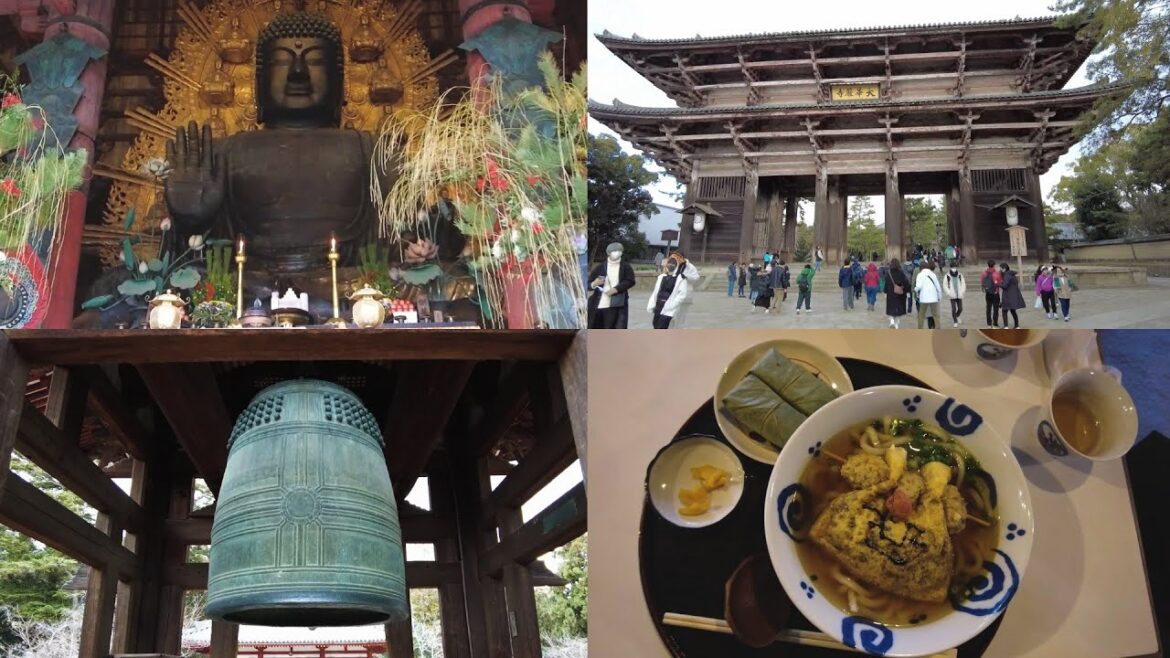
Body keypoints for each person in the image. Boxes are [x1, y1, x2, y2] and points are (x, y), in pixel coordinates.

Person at [587, 242, 636, 329]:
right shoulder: (600, 267)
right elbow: (588, 285)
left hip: (617, 304)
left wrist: (617, 289)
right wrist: (594, 283)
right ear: (609, 252)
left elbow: (630, 281)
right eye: (615, 251)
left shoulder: (626, 267)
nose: (617, 253)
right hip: (599, 304)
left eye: (619, 251)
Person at [646, 254, 689, 329]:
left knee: (662, 327)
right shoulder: (661, 277)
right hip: (658, 306)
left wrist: (672, 304)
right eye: (669, 263)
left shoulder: (680, 279)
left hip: (669, 308)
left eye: (673, 264)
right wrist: (652, 304)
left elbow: (682, 294)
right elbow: (655, 292)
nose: (670, 265)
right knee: (655, 325)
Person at [915, 261, 943, 329]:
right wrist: (939, 297)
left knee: (921, 315)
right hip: (934, 298)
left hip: (924, 298)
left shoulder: (920, 275)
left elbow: (918, 286)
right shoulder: (933, 274)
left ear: (920, 268)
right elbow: (938, 287)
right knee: (935, 314)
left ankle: (920, 329)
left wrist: (915, 289)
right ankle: (938, 328)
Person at [884, 258, 910, 329]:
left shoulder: (888, 273)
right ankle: (896, 324)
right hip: (900, 294)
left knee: (891, 308)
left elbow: (886, 284)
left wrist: (885, 292)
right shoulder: (901, 273)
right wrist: (907, 291)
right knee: (898, 309)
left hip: (890, 294)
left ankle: (891, 320)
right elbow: (906, 283)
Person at [999, 262, 1025, 329]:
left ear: (1004, 268)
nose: (1000, 270)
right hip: (1014, 295)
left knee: (1004, 311)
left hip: (1008, 296)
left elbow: (1004, 285)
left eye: (1001, 268)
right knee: (1013, 311)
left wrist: (998, 284)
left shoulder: (1007, 275)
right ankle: (1017, 325)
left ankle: (1006, 326)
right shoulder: (1012, 275)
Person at [942, 261, 966, 327]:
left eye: (955, 267)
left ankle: (957, 316)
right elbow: (945, 285)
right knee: (954, 308)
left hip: (959, 294)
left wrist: (962, 291)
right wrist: (948, 293)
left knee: (960, 308)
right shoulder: (947, 275)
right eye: (953, 267)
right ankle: (955, 321)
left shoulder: (960, 275)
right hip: (952, 295)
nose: (954, 268)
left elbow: (963, 283)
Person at [979, 259, 1002, 327]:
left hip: (988, 292)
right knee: (996, 309)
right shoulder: (997, 273)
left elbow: (982, 281)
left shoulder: (984, 273)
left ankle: (989, 323)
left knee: (988, 308)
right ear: (994, 265)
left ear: (988, 265)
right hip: (995, 292)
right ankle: (995, 323)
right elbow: (1000, 282)